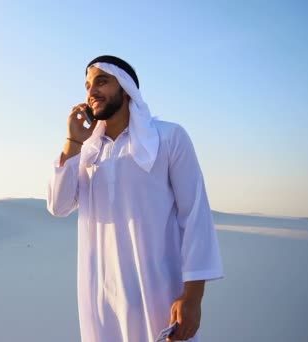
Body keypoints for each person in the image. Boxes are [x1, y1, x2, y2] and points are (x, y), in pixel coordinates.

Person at [47, 55, 224, 342]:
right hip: (102, 302)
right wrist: (74, 142)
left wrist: (192, 298)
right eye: (88, 85)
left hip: (159, 296)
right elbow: (58, 205)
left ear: (126, 88)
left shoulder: (168, 138)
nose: (91, 92)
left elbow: (194, 216)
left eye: (102, 82)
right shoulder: (88, 152)